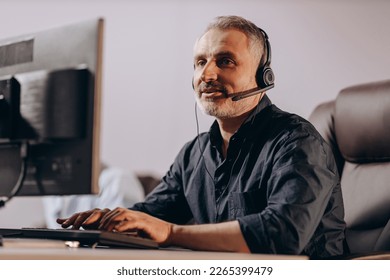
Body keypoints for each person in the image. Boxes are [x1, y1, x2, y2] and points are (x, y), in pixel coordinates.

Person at [57, 15, 347, 259]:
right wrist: (108, 222)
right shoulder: (194, 154)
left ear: (263, 77)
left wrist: (171, 233)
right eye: (199, 62)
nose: (206, 75)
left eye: (225, 61)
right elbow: (151, 215)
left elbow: (283, 234)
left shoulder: (297, 141)